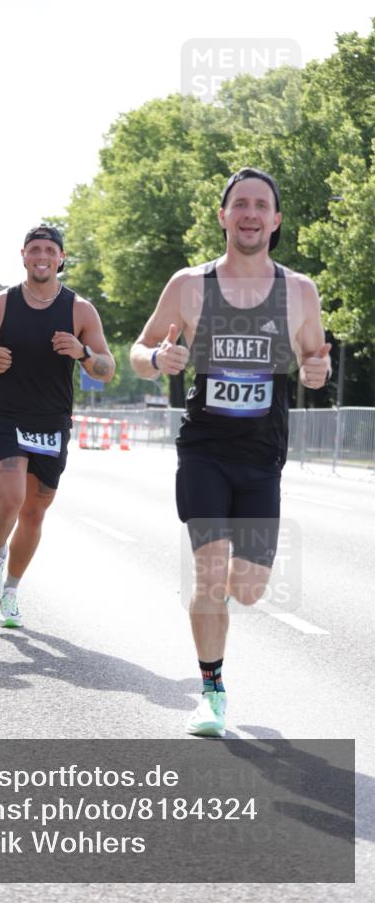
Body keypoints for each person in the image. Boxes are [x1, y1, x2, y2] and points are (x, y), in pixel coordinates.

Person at [130, 167, 332, 738]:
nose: (249, 213)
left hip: (263, 454)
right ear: (223, 216)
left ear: (275, 220)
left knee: (247, 587)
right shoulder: (191, 286)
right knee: (210, 572)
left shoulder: (299, 291)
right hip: (204, 450)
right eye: (239, 204)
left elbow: (316, 364)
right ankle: (211, 690)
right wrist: (157, 361)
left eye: (260, 205)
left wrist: (319, 369)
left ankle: (216, 643)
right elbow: (140, 350)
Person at [0, 224, 115, 628]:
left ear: (61, 258)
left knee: (34, 511)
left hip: (52, 419)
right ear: (23, 255)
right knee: (10, 498)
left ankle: (10, 591)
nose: (42, 256)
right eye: (35, 250)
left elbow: (107, 369)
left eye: (50, 250)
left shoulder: (80, 310)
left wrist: (82, 352)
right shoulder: (0, 304)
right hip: (7, 414)